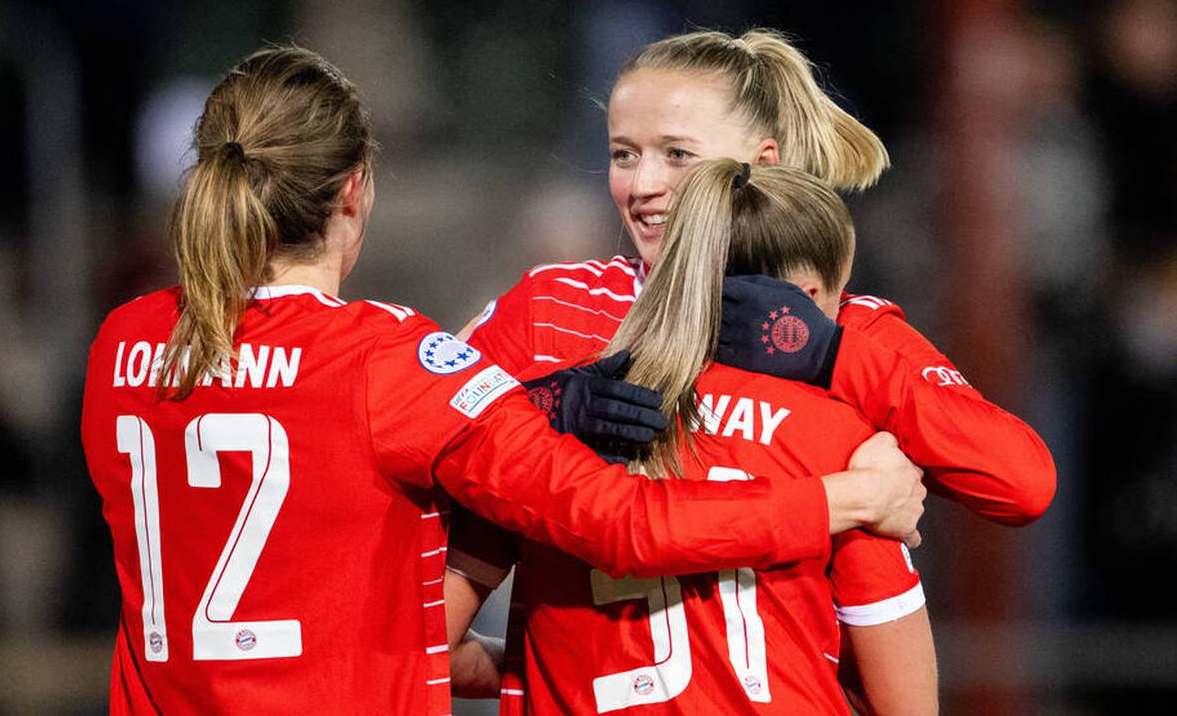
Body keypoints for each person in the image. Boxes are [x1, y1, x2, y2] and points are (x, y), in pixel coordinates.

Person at [79, 46, 926, 715]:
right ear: (354, 191)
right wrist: (849, 500)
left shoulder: (126, 340)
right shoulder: (388, 359)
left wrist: (546, 406)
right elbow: (623, 523)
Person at [445, 26, 1054, 704]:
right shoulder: (547, 309)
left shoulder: (842, 328)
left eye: (677, 155)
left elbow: (1021, 482)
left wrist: (827, 354)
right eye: (623, 154)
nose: (643, 184)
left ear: (757, 163)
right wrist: (539, 405)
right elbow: (420, 473)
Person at [451, 160, 939, 714]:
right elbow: (903, 699)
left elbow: (434, 643)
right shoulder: (843, 441)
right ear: (805, 295)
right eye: (838, 302)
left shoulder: (546, 428)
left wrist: (539, 669)